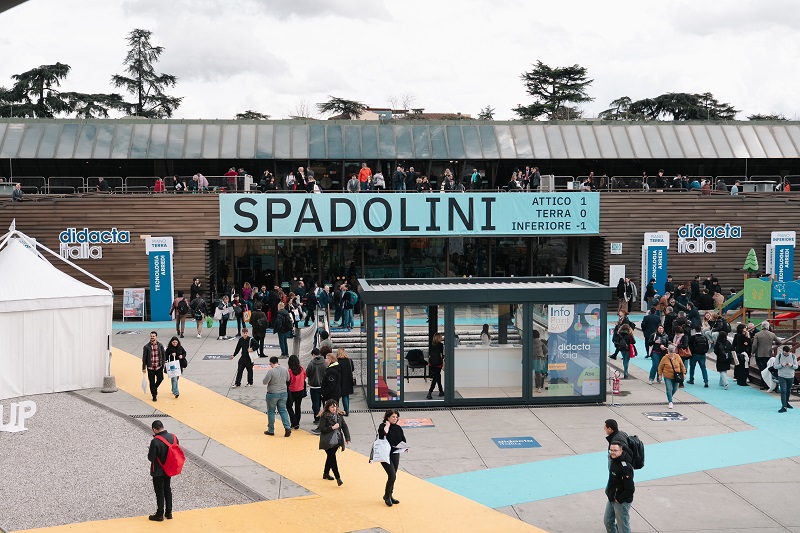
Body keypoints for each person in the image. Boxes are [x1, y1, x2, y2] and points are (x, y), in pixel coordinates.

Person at [147, 420, 177, 521]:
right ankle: (169, 512)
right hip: (169, 469)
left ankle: (159, 514)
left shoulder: (155, 441)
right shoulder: (173, 437)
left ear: (154, 429)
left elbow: (151, 458)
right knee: (167, 489)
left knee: (159, 491)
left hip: (158, 470)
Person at [378, 409, 407, 507]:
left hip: (395, 454)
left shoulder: (398, 428)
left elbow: (402, 439)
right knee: (392, 475)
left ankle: (390, 495)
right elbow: (382, 434)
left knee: (394, 475)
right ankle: (386, 496)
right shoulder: (383, 426)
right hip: (385, 455)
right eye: (393, 417)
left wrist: (405, 447)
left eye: (396, 417)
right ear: (388, 417)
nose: (395, 418)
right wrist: (387, 425)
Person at [604, 442, 635, 533]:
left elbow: (630, 488)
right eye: (611, 450)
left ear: (621, 451)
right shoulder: (613, 461)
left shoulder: (625, 467)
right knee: (608, 521)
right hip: (612, 498)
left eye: (615, 450)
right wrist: (609, 493)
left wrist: (619, 499)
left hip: (621, 501)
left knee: (623, 527)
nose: (612, 452)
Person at [318, 399, 350, 486]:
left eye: (335, 406)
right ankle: (338, 477)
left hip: (337, 440)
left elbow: (344, 426)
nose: (334, 408)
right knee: (332, 457)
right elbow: (322, 429)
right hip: (327, 441)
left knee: (330, 457)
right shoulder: (324, 416)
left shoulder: (339, 416)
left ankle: (326, 473)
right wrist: (332, 428)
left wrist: (347, 438)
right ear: (328, 407)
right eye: (332, 407)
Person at [262, 356, 292, 437]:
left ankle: (271, 430)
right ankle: (287, 427)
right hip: (283, 393)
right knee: (283, 410)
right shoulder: (285, 369)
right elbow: (288, 379)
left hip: (272, 394)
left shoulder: (271, 371)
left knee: (271, 411)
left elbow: (265, 382)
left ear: (271, 363)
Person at [752, 321, 780, 390]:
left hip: (759, 353)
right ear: (768, 327)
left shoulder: (757, 334)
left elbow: (754, 345)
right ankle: (765, 384)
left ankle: (762, 384)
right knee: (766, 368)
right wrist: (773, 343)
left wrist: (752, 352)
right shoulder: (772, 334)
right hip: (768, 353)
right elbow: (779, 341)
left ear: (761, 327)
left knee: (761, 369)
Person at [658, 344, 686, 409]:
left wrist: (684, 373)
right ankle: (670, 401)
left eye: (672, 353)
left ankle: (669, 396)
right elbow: (660, 367)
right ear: (668, 352)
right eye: (670, 353)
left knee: (675, 388)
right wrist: (660, 375)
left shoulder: (678, 357)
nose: (671, 354)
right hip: (667, 376)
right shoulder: (665, 358)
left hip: (676, 376)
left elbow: (682, 365)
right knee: (669, 388)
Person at [142, 331, 165, 402]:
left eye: (153, 336)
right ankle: (154, 395)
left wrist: (162, 364)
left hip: (158, 366)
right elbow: (144, 358)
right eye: (151, 336)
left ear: (156, 337)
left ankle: (154, 388)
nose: (152, 337)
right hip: (150, 367)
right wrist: (143, 367)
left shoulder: (160, 345)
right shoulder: (146, 347)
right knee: (151, 381)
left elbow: (163, 355)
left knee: (160, 378)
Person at [773, 346, 798, 413]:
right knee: (783, 390)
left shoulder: (793, 356)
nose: (787, 354)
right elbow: (775, 366)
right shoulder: (779, 356)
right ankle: (784, 406)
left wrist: (791, 365)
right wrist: (781, 365)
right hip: (782, 376)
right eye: (785, 353)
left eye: (788, 353)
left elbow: (796, 366)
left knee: (788, 390)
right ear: (783, 351)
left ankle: (786, 402)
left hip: (790, 376)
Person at [306, 348, 327, 424]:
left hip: (314, 386)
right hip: (323, 386)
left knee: (315, 403)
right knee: (325, 403)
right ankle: (326, 417)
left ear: (313, 355)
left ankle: (317, 418)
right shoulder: (325, 362)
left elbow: (307, 373)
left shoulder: (311, 363)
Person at [287, 355, 307, 429]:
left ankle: (294, 421)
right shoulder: (301, 369)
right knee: (298, 407)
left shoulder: (289, 371)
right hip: (300, 390)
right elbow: (304, 377)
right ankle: (297, 422)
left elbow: (288, 380)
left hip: (292, 391)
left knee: (289, 406)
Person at [426, 332, 444, 399]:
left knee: (438, 376)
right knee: (435, 378)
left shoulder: (432, 345)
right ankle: (430, 392)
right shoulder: (441, 345)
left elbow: (429, 355)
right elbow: (443, 354)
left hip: (432, 363)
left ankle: (441, 391)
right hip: (438, 364)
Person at [337, 348, 355, 415]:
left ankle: (346, 411)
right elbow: (352, 369)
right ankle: (347, 409)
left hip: (342, 380)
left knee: (344, 395)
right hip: (349, 380)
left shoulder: (338, 362)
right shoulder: (349, 360)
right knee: (346, 395)